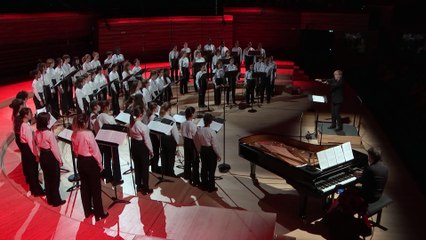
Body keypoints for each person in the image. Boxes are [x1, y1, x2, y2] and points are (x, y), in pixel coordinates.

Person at [71, 114, 108, 221]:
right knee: (96, 189)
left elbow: (75, 151)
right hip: (90, 162)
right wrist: (100, 164)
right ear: (84, 123)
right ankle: (99, 214)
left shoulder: (74, 134)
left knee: (85, 187)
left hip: (81, 162)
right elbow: (95, 151)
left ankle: (87, 211)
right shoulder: (88, 134)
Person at [34, 112, 65, 207]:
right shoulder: (49, 133)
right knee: (55, 179)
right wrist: (59, 160)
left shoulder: (36, 132)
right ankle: (56, 200)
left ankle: (50, 199)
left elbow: (37, 146)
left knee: (47, 179)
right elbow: (54, 149)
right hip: (50, 156)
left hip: (43, 156)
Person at [18, 107, 45, 196]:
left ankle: (34, 189)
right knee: (33, 171)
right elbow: (31, 142)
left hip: (25, 149)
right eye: (30, 113)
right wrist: (36, 154)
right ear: (26, 115)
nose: (32, 114)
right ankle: (37, 191)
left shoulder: (23, 124)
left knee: (31, 171)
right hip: (29, 150)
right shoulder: (26, 127)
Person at [96, 100, 123, 185]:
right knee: (115, 159)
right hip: (111, 139)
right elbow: (114, 126)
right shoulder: (108, 117)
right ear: (106, 107)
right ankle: (117, 178)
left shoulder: (99, 116)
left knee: (107, 158)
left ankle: (108, 176)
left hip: (103, 140)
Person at [129, 106, 154, 195]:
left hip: (134, 145)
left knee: (137, 166)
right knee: (144, 168)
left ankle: (139, 185)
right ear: (140, 115)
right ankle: (146, 188)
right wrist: (151, 151)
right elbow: (147, 141)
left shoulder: (131, 124)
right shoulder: (143, 126)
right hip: (141, 147)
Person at [194, 113, 221, 192]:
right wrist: (218, 155)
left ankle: (204, 185)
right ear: (211, 122)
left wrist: (199, 150)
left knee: (204, 168)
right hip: (210, 151)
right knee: (211, 170)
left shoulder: (199, 130)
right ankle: (211, 187)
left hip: (203, 150)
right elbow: (214, 145)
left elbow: (197, 142)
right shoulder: (212, 131)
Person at [159, 102, 179, 177]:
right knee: (170, 157)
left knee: (164, 156)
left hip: (163, 138)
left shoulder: (160, 118)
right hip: (170, 139)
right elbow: (175, 132)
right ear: (169, 109)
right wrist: (177, 142)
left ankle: (164, 171)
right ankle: (170, 172)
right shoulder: (171, 119)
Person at [181, 107, 200, 186]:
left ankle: (187, 176)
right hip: (192, 143)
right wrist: (198, 148)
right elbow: (195, 137)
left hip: (186, 142)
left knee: (187, 160)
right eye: (195, 112)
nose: (196, 114)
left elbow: (182, 134)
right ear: (192, 114)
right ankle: (195, 179)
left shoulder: (183, 123)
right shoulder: (192, 125)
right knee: (195, 161)